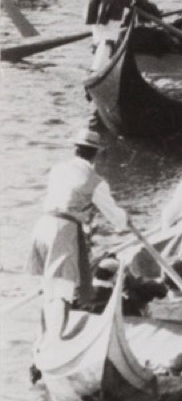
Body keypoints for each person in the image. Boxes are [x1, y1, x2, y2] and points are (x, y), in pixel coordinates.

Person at [27, 122, 129, 330]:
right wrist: (124, 221)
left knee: (48, 289)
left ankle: (45, 337)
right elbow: (116, 217)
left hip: (42, 226)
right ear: (96, 155)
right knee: (62, 291)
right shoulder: (95, 181)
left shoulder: (58, 169)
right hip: (62, 231)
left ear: (76, 149)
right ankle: (57, 340)